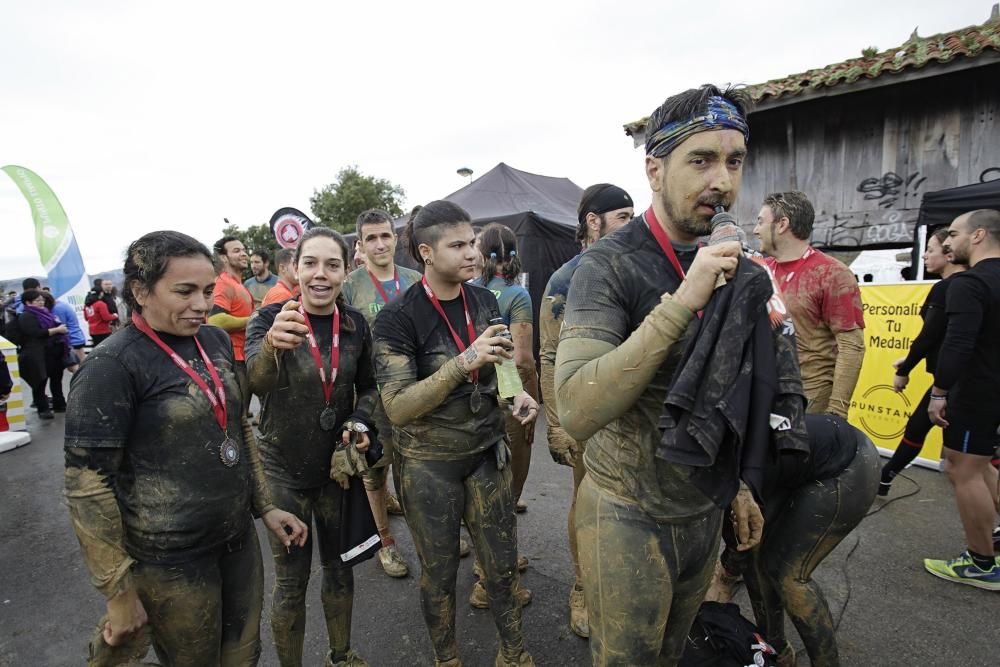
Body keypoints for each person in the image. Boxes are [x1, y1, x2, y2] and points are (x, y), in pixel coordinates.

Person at [555, 85, 767, 666]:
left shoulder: (730, 258)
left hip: (699, 507)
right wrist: (682, 300)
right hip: (627, 511)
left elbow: (726, 392)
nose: (721, 180)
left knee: (673, 657)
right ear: (654, 168)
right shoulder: (607, 265)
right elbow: (574, 406)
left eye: (734, 161)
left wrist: (737, 488)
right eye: (701, 160)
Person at [63, 230, 308, 665]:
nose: (202, 304)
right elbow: (88, 488)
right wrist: (118, 594)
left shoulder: (212, 340)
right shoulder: (110, 366)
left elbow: (238, 428)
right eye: (185, 291)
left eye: (208, 291)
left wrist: (265, 507)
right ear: (140, 290)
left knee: (244, 656)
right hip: (170, 561)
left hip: (236, 542)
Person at [373, 200, 539, 667]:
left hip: (485, 451)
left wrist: (514, 396)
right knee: (440, 574)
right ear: (426, 252)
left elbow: (503, 366)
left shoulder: (485, 300)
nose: (474, 254)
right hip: (429, 464)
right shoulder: (398, 318)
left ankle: (514, 653)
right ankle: (447, 658)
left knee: (503, 568)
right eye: (460, 245)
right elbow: (399, 407)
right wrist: (465, 360)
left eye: (474, 244)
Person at [246, 227, 376, 667]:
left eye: (332, 264)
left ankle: (341, 655)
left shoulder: (356, 325)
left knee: (341, 571)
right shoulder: (268, 320)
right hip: (282, 474)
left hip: (335, 471)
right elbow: (255, 383)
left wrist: (360, 421)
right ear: (294, 268)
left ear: (346, 270)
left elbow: (370, 388)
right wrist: (269, 348)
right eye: (311, 263)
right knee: (290, 583)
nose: (321, 275)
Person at [538, 182, 633, 638]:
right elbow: (550, 356)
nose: (630, 226)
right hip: (590, 417)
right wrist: (557, 425)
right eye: (622, 218)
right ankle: (581, 587)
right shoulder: (565, 280)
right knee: (588, 504)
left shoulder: (641, 266)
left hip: (637, 416)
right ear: (593, 221)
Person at [739, 415, 879, 667]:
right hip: (789, 468)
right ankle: (776, 650)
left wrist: (726, 570)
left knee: (788, 574)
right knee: (755, 558)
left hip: (848, 465)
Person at [341, 209, 422, 579]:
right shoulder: (351, 286)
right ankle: (386, 543)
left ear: (395, 237)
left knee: (418, 466)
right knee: (375, 470)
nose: (379, 244)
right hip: (373, 395)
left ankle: (427, 534)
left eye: (384, 236)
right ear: (360, 244)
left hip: (417, 390)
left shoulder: (416, 279)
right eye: (370, 238)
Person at [925, 209, 1000, 589]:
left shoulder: (968, 284)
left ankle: (982, 562)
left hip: (976, 392)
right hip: (992, 391)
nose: (948, 241)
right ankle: (993, 542)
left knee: (962, 468)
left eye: (953, 233)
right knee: (984, 465)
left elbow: (957, 345)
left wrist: (939, 393)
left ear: (979, 235)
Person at [464, 223, 538, 609]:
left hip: (473, 398)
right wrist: (527, 399)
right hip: (508, 399)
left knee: (484, 485)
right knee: (508, 488)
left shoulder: (469, 291)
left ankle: (494, 560)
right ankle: (487, 577)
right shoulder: (517, 295)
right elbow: (522, 359)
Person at [753, 191, 865, 417]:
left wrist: (836, 412)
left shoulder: (832, 274)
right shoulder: (759, 269)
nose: (755, 230)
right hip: (762, 393)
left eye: (760, 221)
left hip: (808, 401)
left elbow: (852, 347)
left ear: (782, 224)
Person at [881, 228, 967, 495]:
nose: (926, 255)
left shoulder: (947, 288)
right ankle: (885, 477)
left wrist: (905, 370)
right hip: (960, 378)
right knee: (920, 427)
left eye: (931, 249)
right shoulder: (968, 286)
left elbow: (929, 336)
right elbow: (944, 335)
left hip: (957, 382)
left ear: (950, 253)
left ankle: (885, 476)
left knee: (967, 462)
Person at [209, 236, 255, 414]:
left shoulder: (236, 284)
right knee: (236, 416)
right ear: (223, 258)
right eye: (236, 251)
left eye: (244, 250)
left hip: (243, 355)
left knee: (241, 414)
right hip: (232, 359)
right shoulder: (222, 283)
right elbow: (215, 320)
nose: (244, 254)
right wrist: (254, 319)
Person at [16, 289, 68, 419]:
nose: (41, 303)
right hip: (37, 354)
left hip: (53, 351)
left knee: (56, 379)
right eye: (37, 300)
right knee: (40, 381)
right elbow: (35, 333)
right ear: (28, 302)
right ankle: (42, 407)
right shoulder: (26, 316)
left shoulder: (46, 313)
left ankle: (59, 403)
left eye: (42, 300)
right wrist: (57, 330)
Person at [50, 294, 87, 363]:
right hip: (76, 336)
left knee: (78, 366)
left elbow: (60, 324)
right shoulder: (62, 305)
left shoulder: (57, 308)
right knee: (77, 365)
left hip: (72, 339)